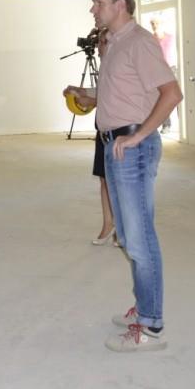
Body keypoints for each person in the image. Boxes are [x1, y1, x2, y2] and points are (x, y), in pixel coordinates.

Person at [86, 0, 182, 353]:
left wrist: (139, 135)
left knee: (140, 241)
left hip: (132, 148)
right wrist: (88, 95)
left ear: (120, 4)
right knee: (126, 236)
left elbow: (172, 93)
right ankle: (143, 308)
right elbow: (123, 92)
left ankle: (151, 325)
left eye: (99, 2)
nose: (93, 9)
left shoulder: (140, 42)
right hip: (116, 146)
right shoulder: (114, 43)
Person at [64, 28, 117, 246]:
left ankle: (122, 228)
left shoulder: (120, 65)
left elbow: (119, 98)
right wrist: (81, 91)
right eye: (98, 43)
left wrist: (91, 101)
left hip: (120, 132)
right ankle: (108, 225)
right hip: (103, 131)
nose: (98, 47)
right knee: (104, 179)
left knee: (119, 182)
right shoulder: (106, 66)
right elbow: (103, 92)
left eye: (103, 42)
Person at [149, 18, 177, 133]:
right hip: (158, 70)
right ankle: (166, 125)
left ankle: (183, 124)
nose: (155, 25)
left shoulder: (171, 37)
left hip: (172, 68)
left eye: (157, 23)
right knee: (162, 98)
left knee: (175, 97)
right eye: (153, 24)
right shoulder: (150, 39)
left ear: (162, 24)